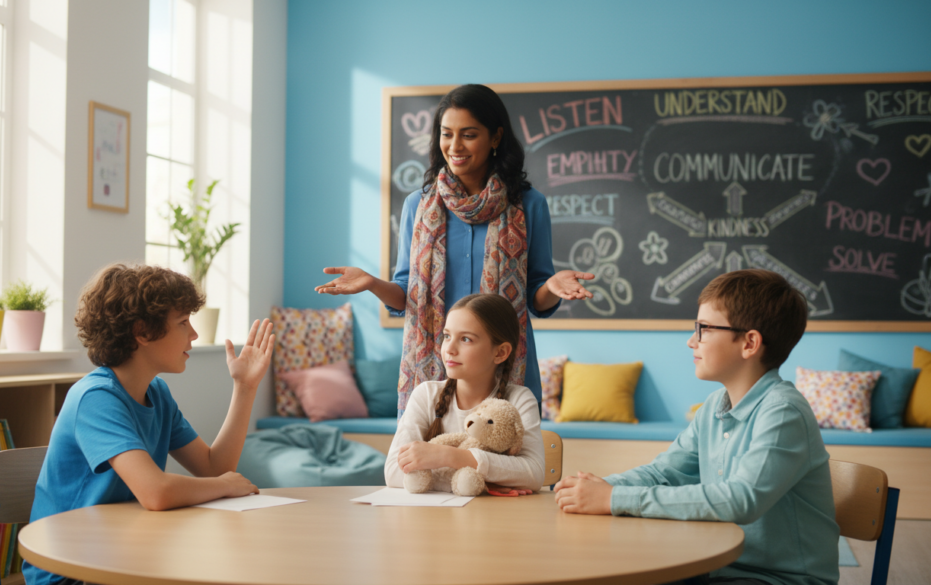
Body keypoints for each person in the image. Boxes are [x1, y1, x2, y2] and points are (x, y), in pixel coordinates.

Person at [315, 83, 594, 411]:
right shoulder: (416, 206)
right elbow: (408, 295)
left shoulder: (528, 205)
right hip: (433, 373)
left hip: (504, 369)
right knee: (426, 460)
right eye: (447, 134)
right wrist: (373, 284)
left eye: (469, 134)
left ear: (496, 137)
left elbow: (534, 298)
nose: (455, 145)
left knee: (501, 461)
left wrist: (550, 286)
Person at [553, 269, 839, 585]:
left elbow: (739, 500)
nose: (691, 341)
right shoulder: (716, 406)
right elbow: (663, 473)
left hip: (779, 578)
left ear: (749, 343)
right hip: (718, 565)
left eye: (703, 329)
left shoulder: (783, 412)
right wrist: (593, 489)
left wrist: (613, 498)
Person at [23, 264, 274, 585]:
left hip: (125, 557)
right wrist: (227, 485)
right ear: (142, 332)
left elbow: (213, 467)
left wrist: (245, 387)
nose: (194, 334)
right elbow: (157, 493)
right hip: (71, 573)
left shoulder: (156, 393)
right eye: (183, 322)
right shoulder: (95, 398)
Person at [385, 293, 545, 494]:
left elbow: (534, 474)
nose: (449, 349)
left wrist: (448, 456)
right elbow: (393, 472)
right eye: (447, 336)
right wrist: (483, 483)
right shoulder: (425, 395)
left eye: (466, 339)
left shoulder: (520, 399)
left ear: (500, 353)